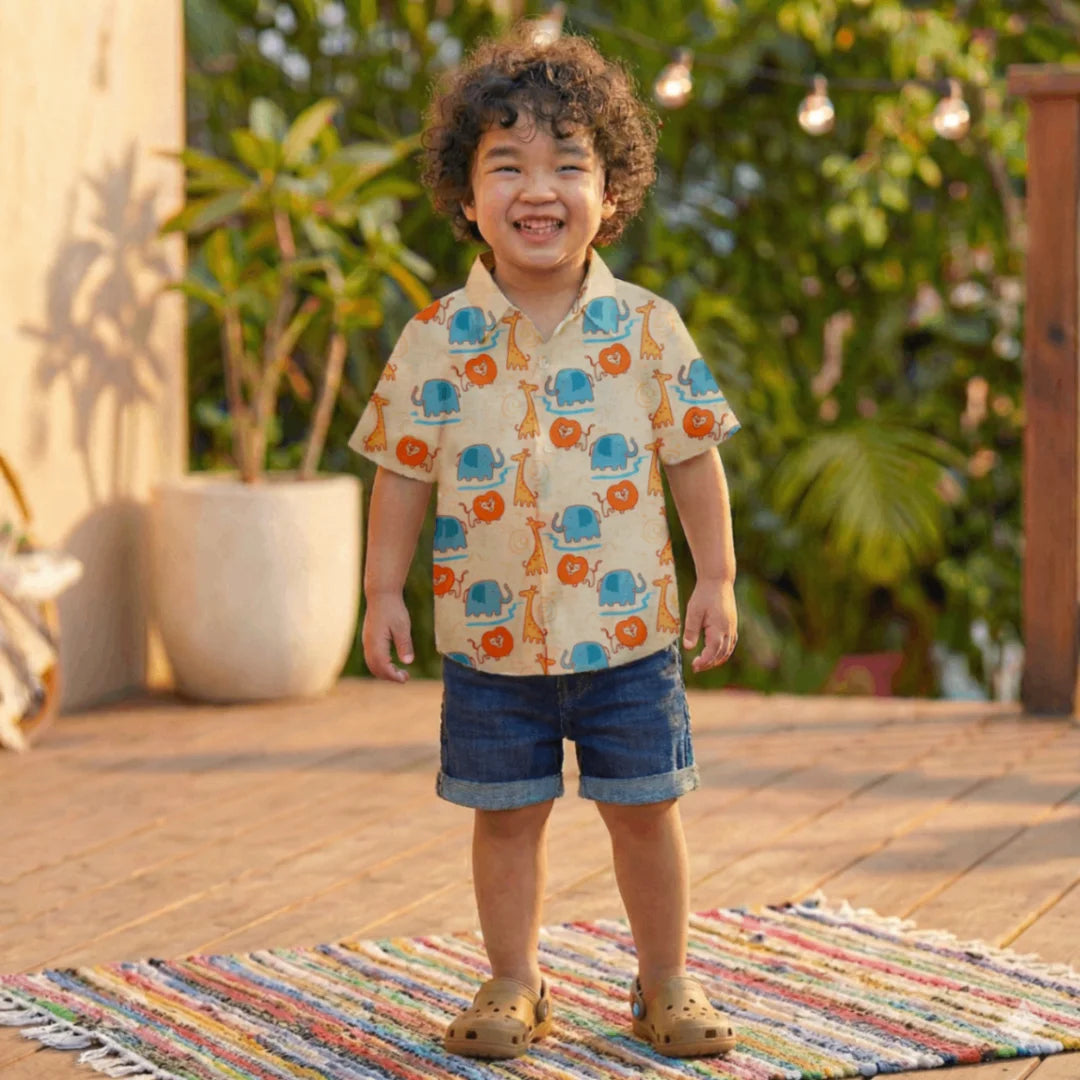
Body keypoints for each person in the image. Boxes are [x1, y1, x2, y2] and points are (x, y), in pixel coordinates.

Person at [349, 22, 740, 1062]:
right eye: (508, 163)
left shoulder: (649, 329)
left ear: (609, 192)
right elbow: (399, 468)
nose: (540, 186)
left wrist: (719, 579)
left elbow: (694, 458)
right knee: (506, 819)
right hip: (492, 645)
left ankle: (664, 982)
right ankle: (515, 980)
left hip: (630, 638)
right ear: (466, 194)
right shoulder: (436, 335)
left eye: (569, 163)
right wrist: (383, 592)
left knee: (646, 814)